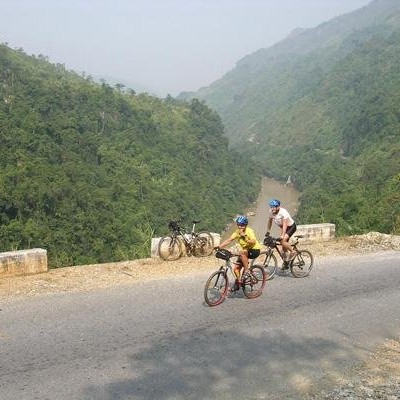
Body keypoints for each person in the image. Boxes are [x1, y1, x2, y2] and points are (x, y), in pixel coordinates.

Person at [218, 215, 261, 286]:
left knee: (241, 252)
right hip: (246, 251)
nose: (240, 227)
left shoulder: (249, 231)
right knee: (236, 269)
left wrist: (244, 236)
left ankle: (247, 271)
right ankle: (239, 282)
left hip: (254, 250)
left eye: (242, 225)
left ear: (246, 225)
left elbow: (253, 241)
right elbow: (229, 240)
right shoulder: (237, 232)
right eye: (238, 225)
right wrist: (219, 247)